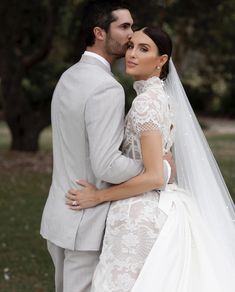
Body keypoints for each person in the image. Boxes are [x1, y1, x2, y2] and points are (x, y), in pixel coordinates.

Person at [66, 27, 235, 292]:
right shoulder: (162, 98)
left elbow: (154, 175)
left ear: (162, 60)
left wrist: (98, 196)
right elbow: (160, 166)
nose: (131, 54)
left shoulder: (146, 104)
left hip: (138, 214)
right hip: (161, 204)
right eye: (131, 46)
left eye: (144, 49)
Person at [40, 2, 173, 292]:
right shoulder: (107, 87)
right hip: (85, 222)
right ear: (100, 32)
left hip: (59, 217)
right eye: (124, 27)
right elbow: (108, 166)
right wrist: (157, 167)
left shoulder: (68, 76)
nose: (130, 36)